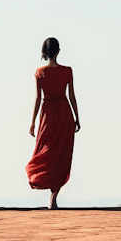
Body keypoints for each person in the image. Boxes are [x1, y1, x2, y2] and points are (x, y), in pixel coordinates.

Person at [25, 37, 80, 209]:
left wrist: (33, 122)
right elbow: (71, 96)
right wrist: (77, 117)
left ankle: (50, 191)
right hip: (64, 113)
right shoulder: (67, 71)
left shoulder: (40, 72)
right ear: (58, 51)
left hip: (47, 114)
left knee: (46, 151)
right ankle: (53, 195)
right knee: (61, 154)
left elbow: (37, 98)